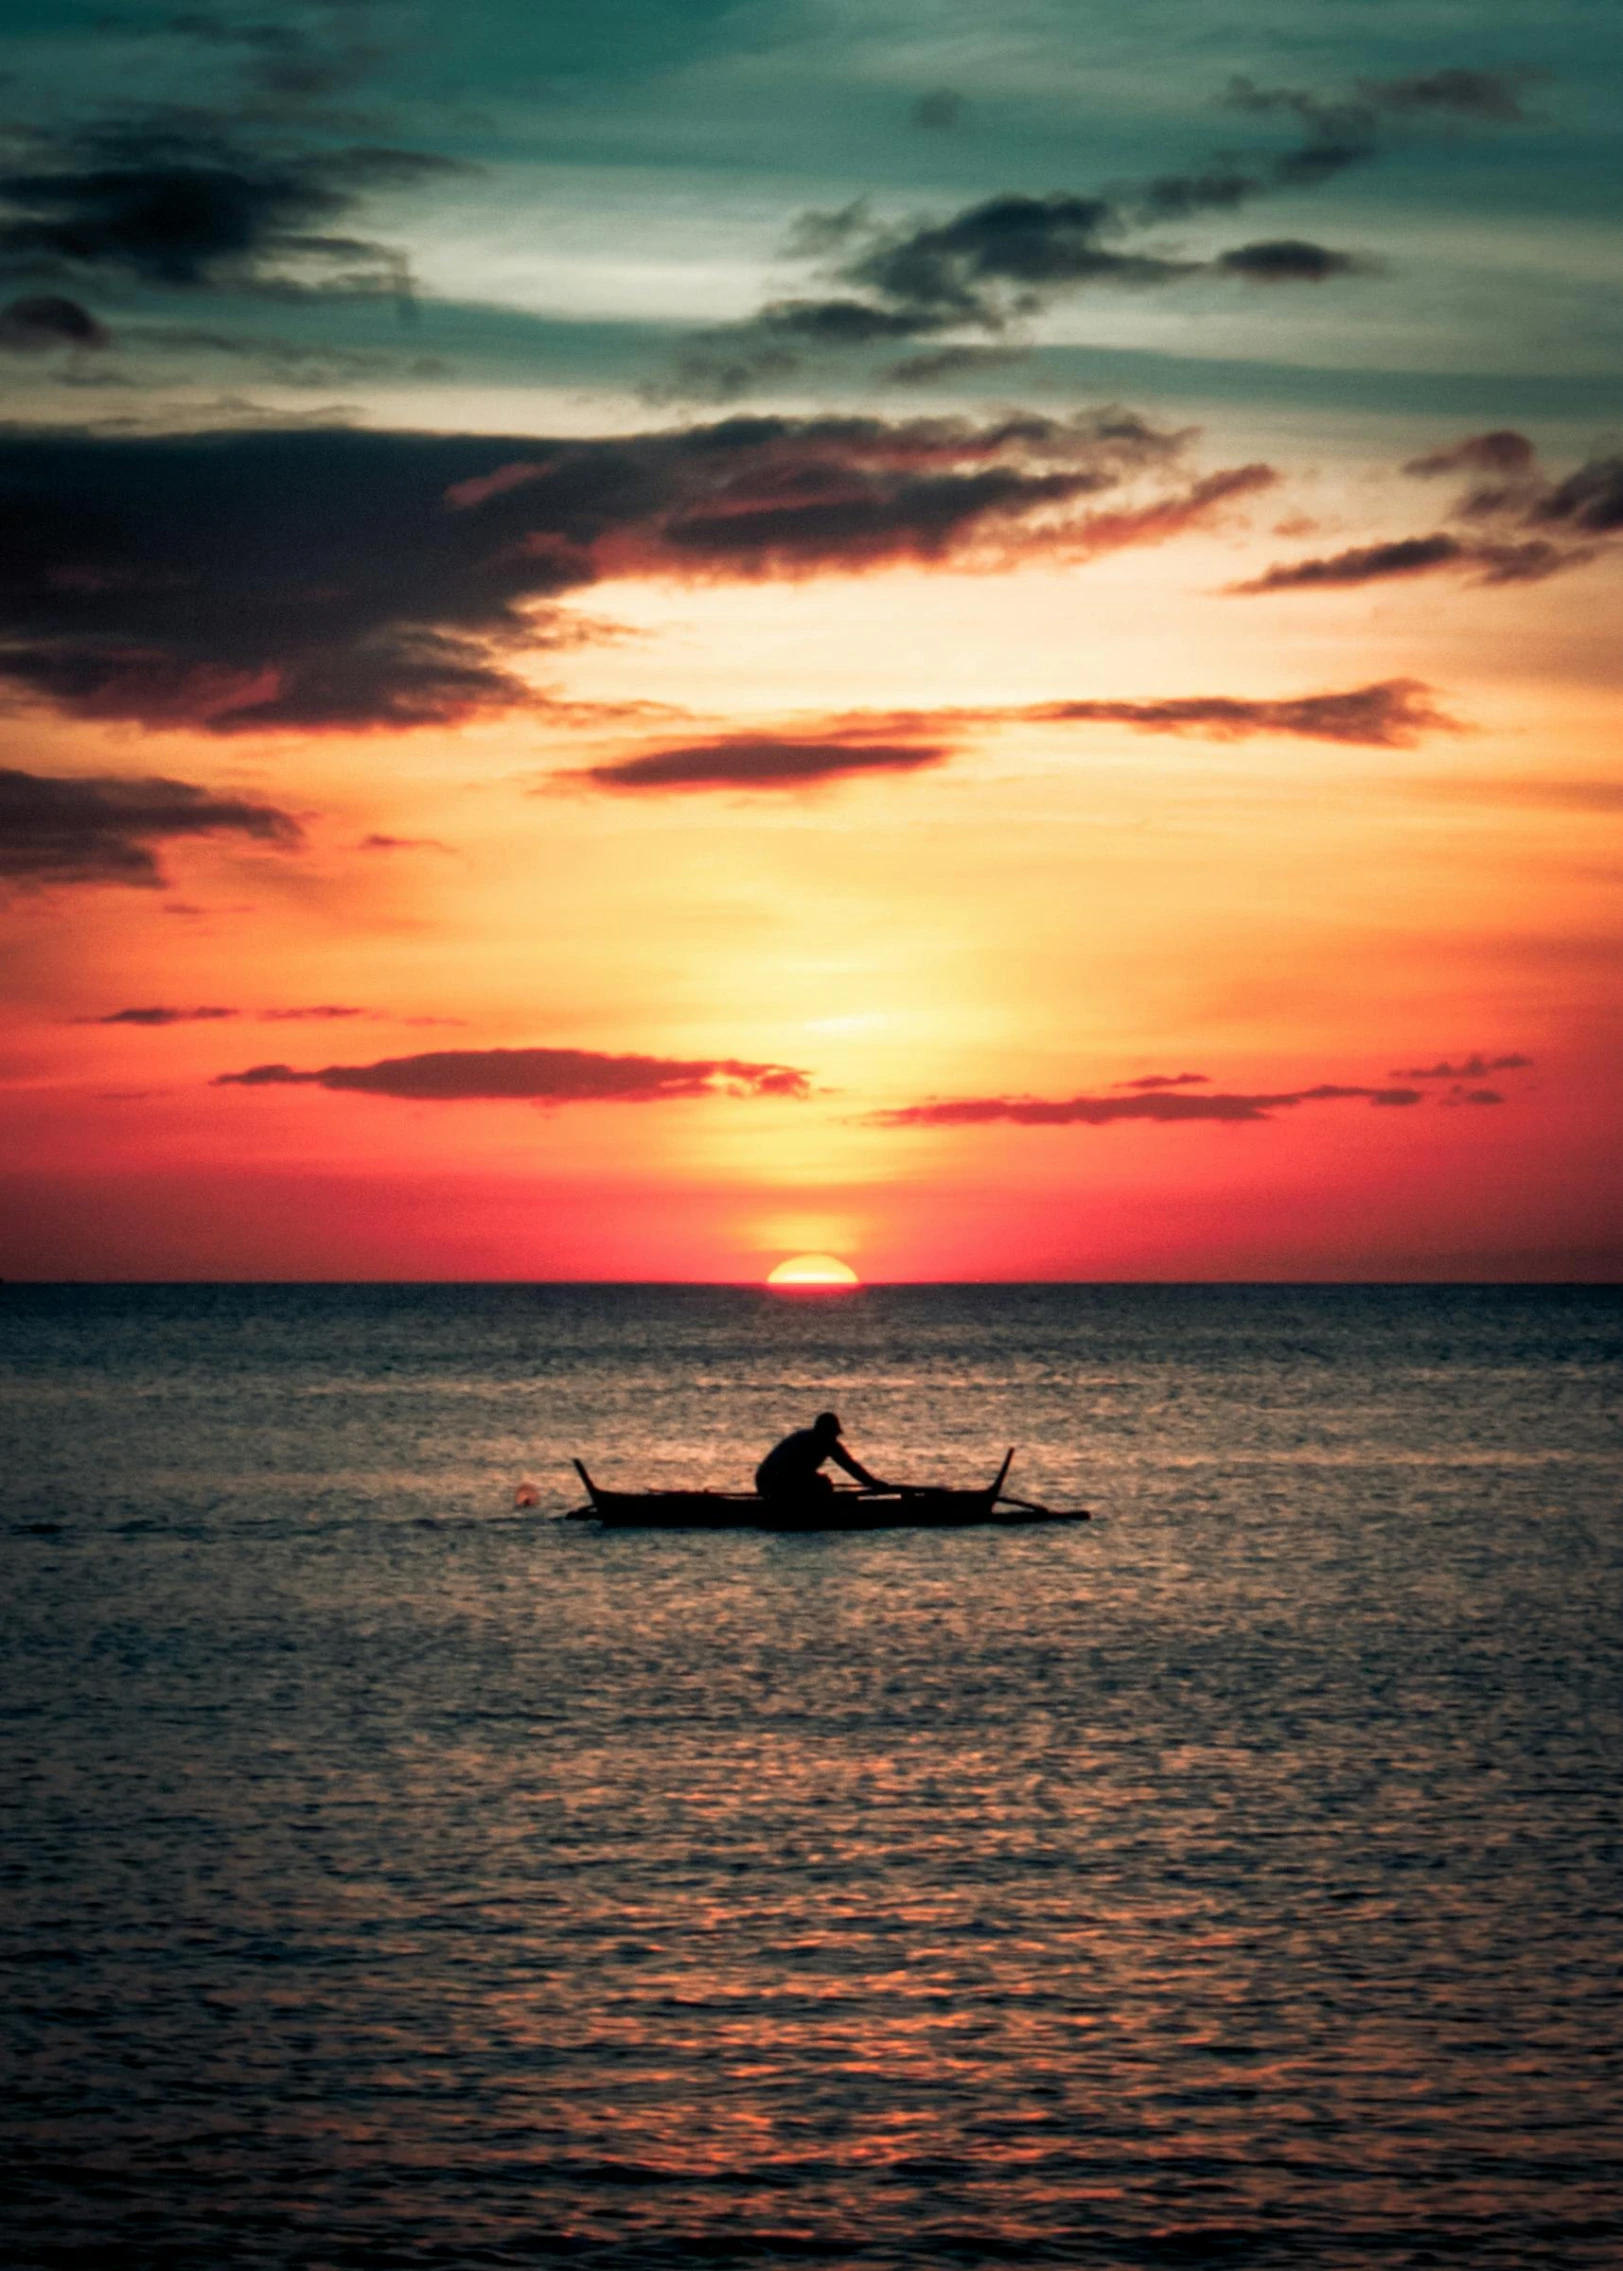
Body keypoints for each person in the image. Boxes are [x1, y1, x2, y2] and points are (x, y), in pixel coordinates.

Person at [755, 1410, 888, 1504]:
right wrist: (874, 1485)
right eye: (834, 1434)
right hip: (773, 1484)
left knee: (821, 1483)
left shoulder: (807, 1437)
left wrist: (873, 1484)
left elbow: (850, 1466)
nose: (835, 1438)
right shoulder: (817, 1442)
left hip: (768, 1482)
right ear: (826, 1432)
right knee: (822, 1485)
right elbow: (850, 1466)